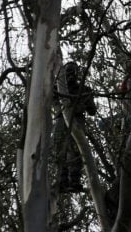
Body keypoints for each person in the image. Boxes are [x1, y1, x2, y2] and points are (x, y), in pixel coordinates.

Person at [54, 61, 98, 193]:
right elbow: (48, 100)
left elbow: (92, 111)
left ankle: (74, 181)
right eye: (68, 71)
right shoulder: (58, 88)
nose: (71, 74)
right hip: (61, 120)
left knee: (76, 150)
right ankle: (62, 180)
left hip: (77, 120)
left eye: (73, 71)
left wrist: (87, 99)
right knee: (60, 149)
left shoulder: (83, 89)